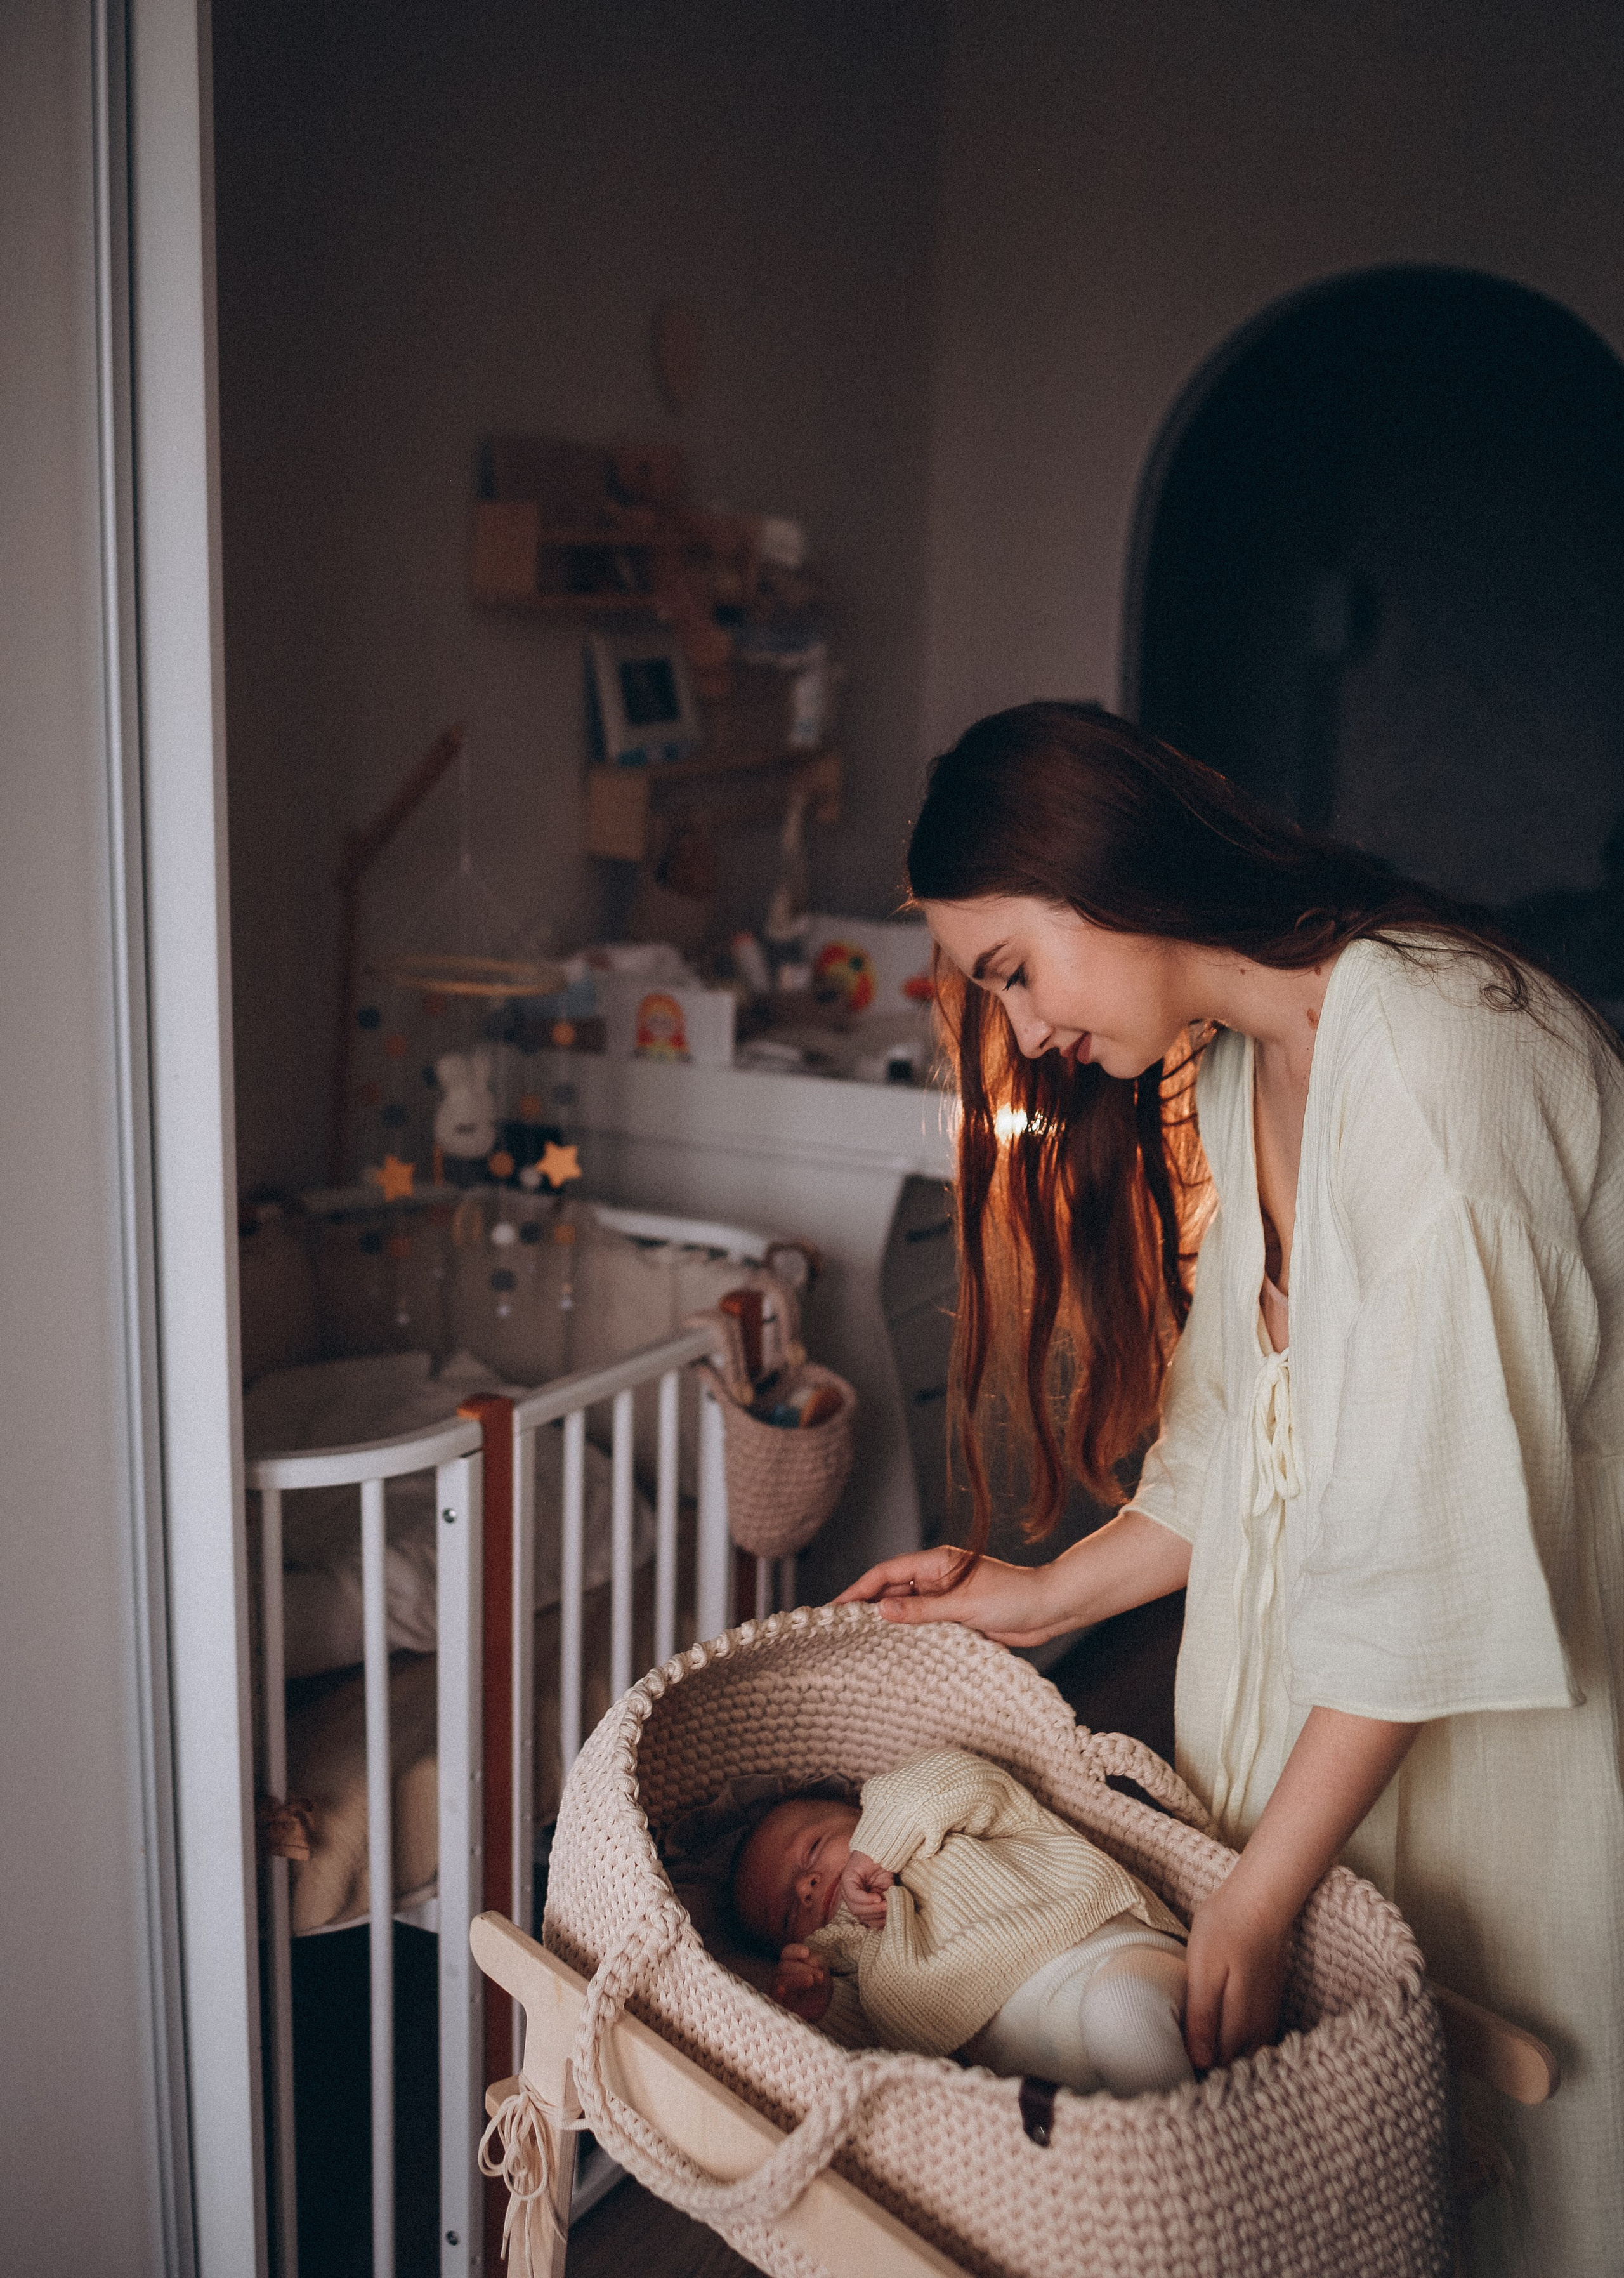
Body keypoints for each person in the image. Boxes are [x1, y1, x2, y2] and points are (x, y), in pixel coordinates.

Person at [837, 704, 1624, 2278]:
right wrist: (1034, 1592)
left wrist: (1259, 1895)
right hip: (1314, 1793)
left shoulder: (1435, 1048)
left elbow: (1437, 1549)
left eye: (1006, 965)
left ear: (1097, 867)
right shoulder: (1240, 1070)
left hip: (1492, 1785)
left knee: (1518, 2185)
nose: (1021, 1026)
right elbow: (1233, 1455)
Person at [731, 1745, 1194, 2097]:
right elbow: (885, 2053)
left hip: (1106, 1958)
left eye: (812, 1850)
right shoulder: (858, 1968)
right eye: (789, 1915)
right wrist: (824, 2006)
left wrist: (877, 1845)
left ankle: (1194, 2147)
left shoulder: (923, 1830)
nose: (806, 1886)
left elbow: (964, 1777)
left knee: (1118, 2006)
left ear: (858, 1810)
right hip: (1049, 2082)